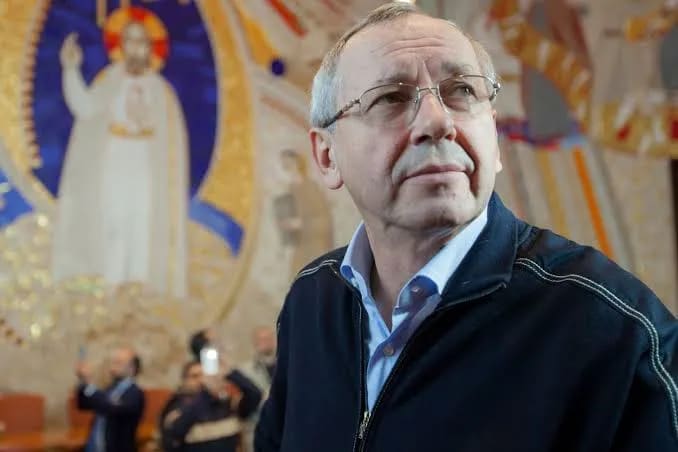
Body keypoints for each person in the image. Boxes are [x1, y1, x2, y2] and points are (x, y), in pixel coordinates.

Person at [255, 3, 678, 452]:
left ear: (492, 138)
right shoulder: (311, 301)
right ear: (327, 156)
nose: (438, 122)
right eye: (391, 97)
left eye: (461, 91)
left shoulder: (616, 331)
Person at [52, 6, 188, 297]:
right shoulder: (111, 79)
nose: (135, 47)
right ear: (121, 45)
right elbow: (85, 108)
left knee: (142, 215)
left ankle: (140, 280)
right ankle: (113, 280)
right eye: (130, 40)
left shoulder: (160, 89)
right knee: (114, 214)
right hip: (116, 154)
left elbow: (171, 139)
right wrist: (71, 70)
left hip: (146, 159)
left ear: (151, 47)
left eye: (141, 41)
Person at [160, 360, 262, 452]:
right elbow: (173, 438)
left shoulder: (228, 405)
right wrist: (207, 393)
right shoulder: (177, 407)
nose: (202, 380)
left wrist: (231, 373)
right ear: (184, 381)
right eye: (195, 376)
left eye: (205, 375)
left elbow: (254, 394)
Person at [76, 346, 145, 452]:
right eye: (113, 362)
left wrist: (89, 384)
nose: (113, 366)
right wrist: (83, 382)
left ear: (132, 368)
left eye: (118, 363)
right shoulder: (111, 389)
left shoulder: (134, 393)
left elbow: (109, 407)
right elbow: (84, 404)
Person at [238, 326, 277, 452]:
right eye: (262, 339)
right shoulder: (245, 371)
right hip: (258, 425)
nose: (266, 342)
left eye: (268, 338)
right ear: (255, 343)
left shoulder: (286, 365)